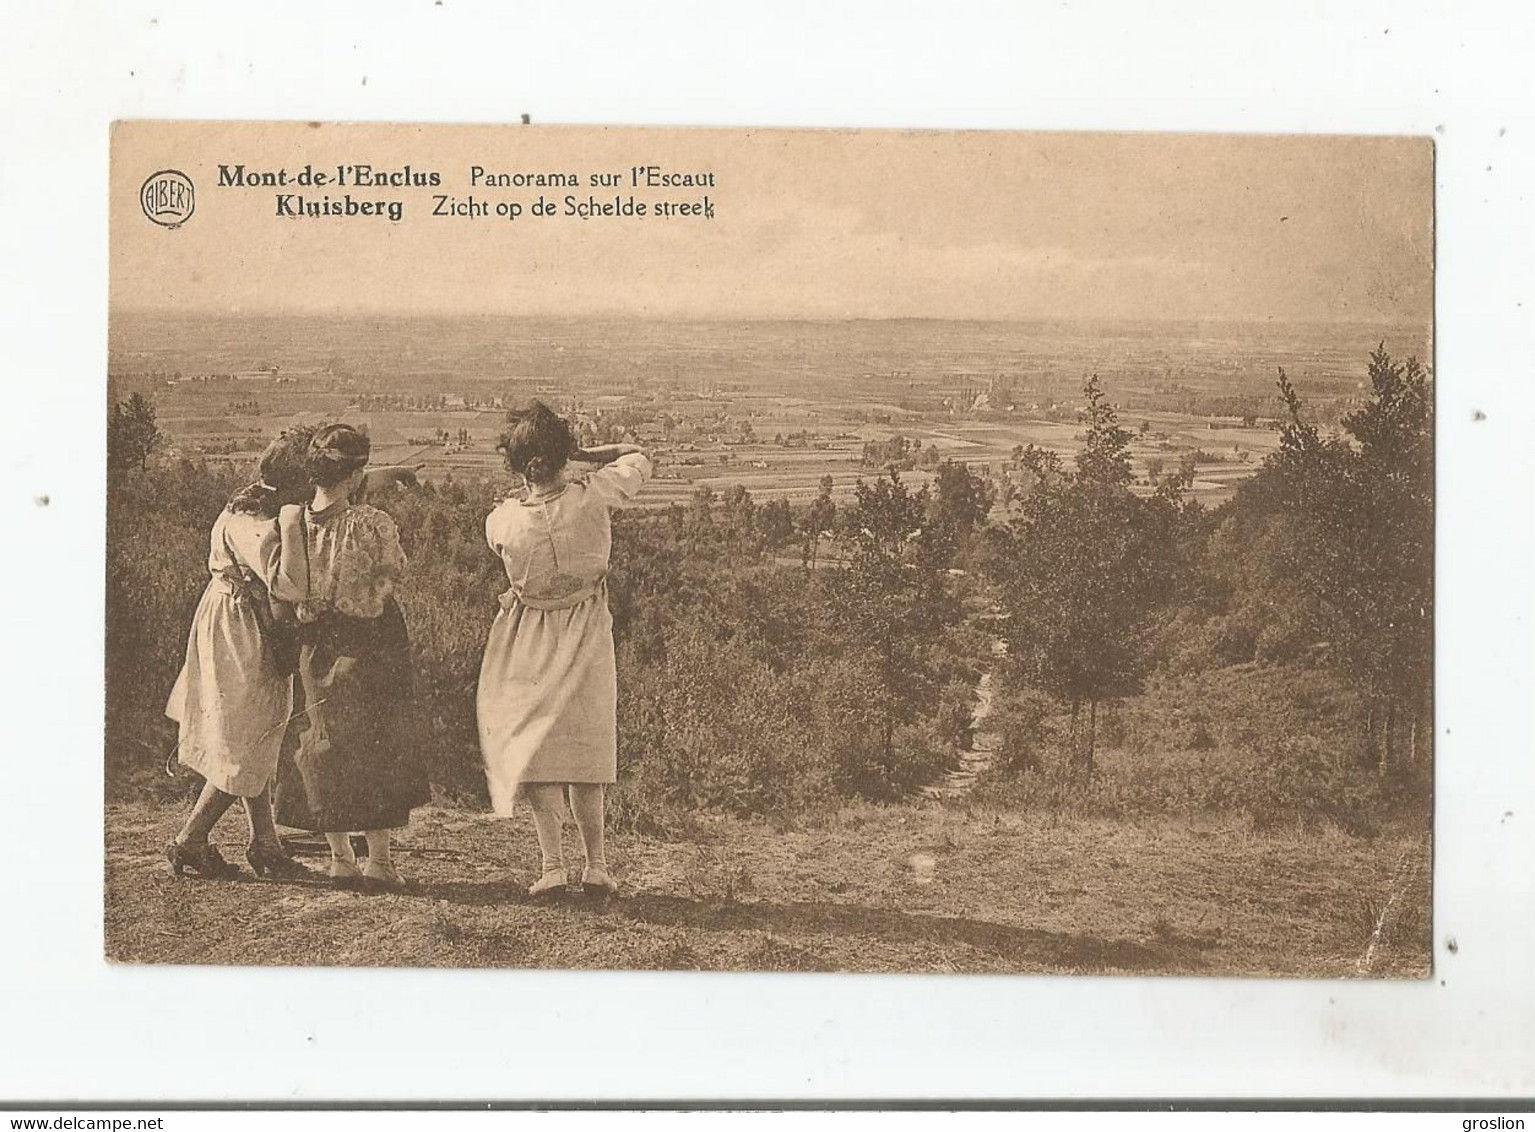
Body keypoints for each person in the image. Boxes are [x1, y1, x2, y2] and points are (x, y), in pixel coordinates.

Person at [476, 401, 651, 898]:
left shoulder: (503, 520)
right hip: (586, 627)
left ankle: (552, 863)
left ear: (516, 463)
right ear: (562, 454)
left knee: (539, 747)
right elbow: (639, 455)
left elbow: (500, 544)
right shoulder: (593, 495)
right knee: (585, 745)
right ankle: (595, 864)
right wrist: (586, 454)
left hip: (526, 632)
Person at [272, 424, 430, 891]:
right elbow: (395, 570)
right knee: (375, 744)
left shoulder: (293, 520)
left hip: (316, 643)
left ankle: (341, 858)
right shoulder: (373, 523)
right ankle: (379, 861)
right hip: (371, 640)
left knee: (322, 745)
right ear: (356, 471)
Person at [165, 426, 317, 881]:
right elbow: (288, 585)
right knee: (249, 734)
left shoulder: (248, 499)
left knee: (255, 729)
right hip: (245, 627)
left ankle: (264, 842)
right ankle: (190, 839)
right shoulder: (262, 523)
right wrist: (291, 526)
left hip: (230, 618)